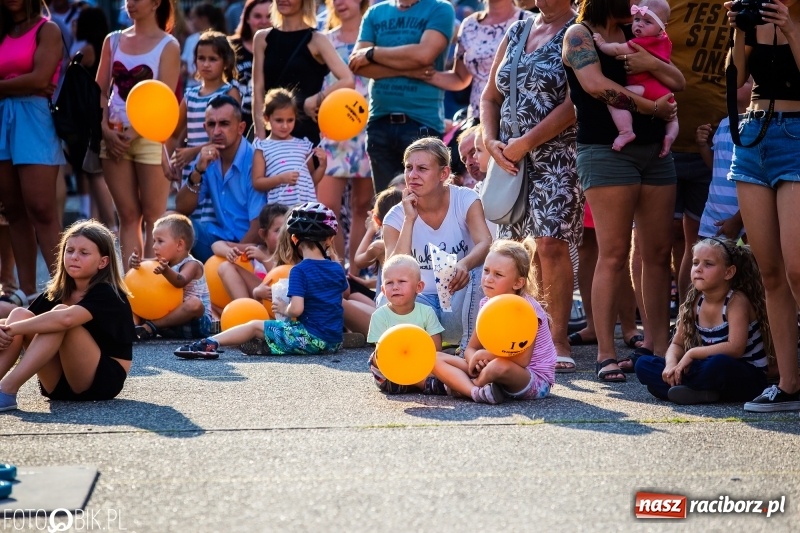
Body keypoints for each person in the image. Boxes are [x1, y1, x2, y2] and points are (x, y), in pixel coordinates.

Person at [562, 0, 682, 382]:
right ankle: (605, 352)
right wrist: (652, 108)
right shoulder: (579, 35)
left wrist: (653, 66)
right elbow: (596, 86)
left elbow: (677, 80)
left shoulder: (638, 30)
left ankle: (659, 347)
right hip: (605, 151)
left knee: (658, 253)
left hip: (654, 151)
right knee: (613, 253)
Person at [481, 0, 581, 372]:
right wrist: (491, 142)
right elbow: (490, 96)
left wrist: (527, 142)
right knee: (514, 248)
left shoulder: (578, 32)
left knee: (551, 243)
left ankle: (557, 337)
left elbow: (575, 104)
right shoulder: (517, 30)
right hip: (510, 158)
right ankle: (514, 332)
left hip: (558, 154)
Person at [725, 0, 800, 411]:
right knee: (769, 271)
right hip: (753, 139)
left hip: (796, 137)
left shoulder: (792, 19)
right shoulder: (755, 16)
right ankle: (789, 384)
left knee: (796, 269)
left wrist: (789, 28)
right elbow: (734, 75)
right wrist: (738, 29)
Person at [174, 202, 348, 358]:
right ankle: (269, 345)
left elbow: (296, 309)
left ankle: (208, 343)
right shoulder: (336, 268)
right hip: (334, 341)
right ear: (330, 239)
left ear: (294, 239)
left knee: (254, 326)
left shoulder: (299, 271)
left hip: (310, 340)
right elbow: (341, 294)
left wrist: (283, 309)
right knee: (276, 330)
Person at [0, 221, 134, 412]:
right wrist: (5, 327)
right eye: (69, 250)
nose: (74, 257)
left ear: (103, 262)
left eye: (83, 253)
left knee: (59, 316)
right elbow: (24, 322)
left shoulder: (109, 293)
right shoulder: (57, 293)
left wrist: (10, 329)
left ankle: (7, 389)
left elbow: (66, 319)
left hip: (99, 382)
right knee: (20, 314)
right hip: (56, 383)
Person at [383, 137, 492, 349]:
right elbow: (392, 269)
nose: (412, 175)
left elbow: (486, 242)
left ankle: (469, 351)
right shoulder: (395, 217)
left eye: (422, 168)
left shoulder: (465, 199)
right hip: (419, 305)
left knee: (481, 273)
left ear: (443, 174)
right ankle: (418, 355)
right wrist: (409, 220)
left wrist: (464, 264)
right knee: (384, 300)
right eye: (408, 168)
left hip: (459, 303)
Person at [635, 238, 771, 404]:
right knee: (643, 364)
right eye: (695, 263)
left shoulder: (736, 301)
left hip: (742, 373)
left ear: (728, 272)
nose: (698, 269)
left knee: (718, 364)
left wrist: (691, 353)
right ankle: (697, 391)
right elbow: (677, 344)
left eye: (708, 264)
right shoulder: (695, 302)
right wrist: (670, 365)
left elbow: (735, 348)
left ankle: (680, 390)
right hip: (707, 370)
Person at [96, 0, 180, 264]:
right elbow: (98, 90)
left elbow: (165, 99)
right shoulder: (113, 40)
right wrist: (104, 129)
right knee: (128, 215)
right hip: (113, 135)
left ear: (156, 3)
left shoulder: (169, 45)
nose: (129, 4)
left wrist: (133, 132)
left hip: (151, 137)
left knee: (154, 217)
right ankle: (132, 287)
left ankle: (154, 285)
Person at [348, 0, 455, 193]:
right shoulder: (375, 13)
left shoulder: (440, 8)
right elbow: (357, 64)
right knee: (385, 207)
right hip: (379, 122)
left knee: (423, 203)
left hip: (422, 122)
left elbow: (424, 55)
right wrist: (411, 71)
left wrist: (372, 53)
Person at [433, 239, 556, 404]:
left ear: (518, 282)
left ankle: (464, 386)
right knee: (434, 358)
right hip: (490, 368)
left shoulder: (526, 310)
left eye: (498, 274)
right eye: (486, 270)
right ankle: (475, 392)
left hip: (530, 378)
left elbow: (522, 360)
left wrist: (486, 355)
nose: (488, 279)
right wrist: (474, 360)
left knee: (499, 366)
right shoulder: (487, 303)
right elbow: (471, 348)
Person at [0, 0, 65, 311]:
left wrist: (6, 86)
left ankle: (63, 288)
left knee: (41, 208)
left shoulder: (47, 30)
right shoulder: (2, 30)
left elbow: (41, 79)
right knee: (12, 209)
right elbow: (31, 80)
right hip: (3, 118)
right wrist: (14, 86)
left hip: (34, 120)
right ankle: (26, 292)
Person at [317, 0, 374, 276]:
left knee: (363, 205)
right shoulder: (323, 39)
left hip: (367, 126)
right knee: (326, 207)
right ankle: (335, 272)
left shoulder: (374, 34)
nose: (341, 3)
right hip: (332, 130)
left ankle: (355, 275)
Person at [174, 95, 264, 262]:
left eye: (224, 124)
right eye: (211, 124)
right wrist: (198, 170)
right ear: (204, 127)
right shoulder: (208, 158)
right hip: (219, 244)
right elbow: (181, 207)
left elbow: (257, 228)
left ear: (241, 127)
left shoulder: (254, 160)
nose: (216, 131)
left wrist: (234, 260)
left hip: (249, 251)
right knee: (173, 221)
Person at [251, 0, 355, 143]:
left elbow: (348, 80)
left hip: (304, 133)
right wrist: (260, 135)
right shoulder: (262, 38)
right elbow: (258, 90)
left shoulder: (317, 39)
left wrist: (317, 99)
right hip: (272, 132)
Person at [418, 0, 531, 121]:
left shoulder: (530, 22)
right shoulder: (469, 24)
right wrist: (419, 74)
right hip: (478, 119)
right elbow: (460, 78)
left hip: (516, 119)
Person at [592, 0, 678, 154]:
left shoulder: (641, 42)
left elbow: (618, 49)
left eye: (647, 22)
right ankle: (670, 136)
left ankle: (626, 131)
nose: (639, 25)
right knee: (672, 118)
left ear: (661, 28)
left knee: (616, 99)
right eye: (637, 19)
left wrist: (602, 44)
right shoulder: (663, 40)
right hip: (663, 90)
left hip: (646, 87)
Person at [168, 30, 241, 185]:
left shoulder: (230, 92)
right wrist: (171, 161)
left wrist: (193, 151)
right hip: (192, 170)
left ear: (225, 62)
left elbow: (232, 137)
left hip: (221, 168)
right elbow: (174, 135)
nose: (206, 64)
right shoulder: (190, 96)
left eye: (213, 59)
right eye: (201, 58)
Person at [366, 254, 445, 394]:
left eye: (402, 281)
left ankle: (420, 382)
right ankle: (421, 384)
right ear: (383, 290)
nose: (395, 287)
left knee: (443, 360)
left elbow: (436, 349)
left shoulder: (427, 312)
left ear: (418, 287)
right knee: (374, 358)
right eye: (389, 283)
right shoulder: (379, 316)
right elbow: (382, 356)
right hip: (391, 372)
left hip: (421, 364)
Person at [127, 213, 212, 341]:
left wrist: (166, 271)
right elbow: (143, 264)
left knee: (195, 304)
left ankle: (150, 327)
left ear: (179, 245)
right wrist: (133, 262)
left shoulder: (192, 264)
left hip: (193, 323)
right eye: (154, 241)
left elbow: (180, 281)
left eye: (160, 241)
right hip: (167, 319)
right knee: (131, 298)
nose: (154, 246)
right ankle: (133, 329)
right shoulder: (162, 261)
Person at [696, 80, 752, 241]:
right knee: (709, 263)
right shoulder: (724, 123)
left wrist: (736, 221)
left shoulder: (757, 128)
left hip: (744, 226)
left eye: (744, 80)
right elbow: (716, 166)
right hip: (712, 221)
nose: (733, 82)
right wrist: (702, 146)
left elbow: (759, 181)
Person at [252, 88, 327, 205]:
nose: (285, 125)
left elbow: (311, 180)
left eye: (290, 120)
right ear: (267, 118)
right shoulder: (262, 147)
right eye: (279, 120)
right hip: (279, 212)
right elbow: (257, 182)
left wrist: (322, 166)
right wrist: (280, 179)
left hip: (305, 211)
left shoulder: (304, 145)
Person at [212, 203, 288, 301]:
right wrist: (228, 251)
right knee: (225, 267)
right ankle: (245, 307)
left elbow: (283, 278)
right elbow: (216, 245)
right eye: (277, 230)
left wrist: (264, 259)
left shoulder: (291, 253)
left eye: (286, 230)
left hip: (282, 301)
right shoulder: (258, 249)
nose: (283, 235)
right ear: (263, 234)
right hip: (259, 298)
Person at [352, 187, 403, 307]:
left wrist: (370, 229)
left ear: (377, 219)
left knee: (346, 296)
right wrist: (368, 283)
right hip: (405, 304)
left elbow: (358, 261)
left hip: (386, 311)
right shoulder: (413, 239)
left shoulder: (380, 246)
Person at [229, 0, 272, 137]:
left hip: (272, 124)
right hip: (236, 125)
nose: (264, 21)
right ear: (247, 18)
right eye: (257, 16)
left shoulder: (280, 48)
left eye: (269, 16)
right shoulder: (230, 47)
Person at [180, 2, 226, 89]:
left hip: (215, 88)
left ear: (203, 19)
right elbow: (184, 64)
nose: (191, 21)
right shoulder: (191, 39)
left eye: (193, 17)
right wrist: (184, 71)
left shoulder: (220, 40)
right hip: (191, 87)